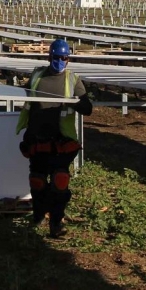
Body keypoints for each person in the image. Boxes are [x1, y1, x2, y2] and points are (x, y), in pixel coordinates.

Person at [16, 39, 93, 238]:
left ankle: (56, 223)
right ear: (49, 56)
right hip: (37, 139)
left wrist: (75, 102)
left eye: (63, 58)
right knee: (38, 181)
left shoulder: (73, 80)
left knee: (59, 181)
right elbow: (23, 94)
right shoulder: (37, 75)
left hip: (60, 141)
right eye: (56, 57)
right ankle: (39, 216)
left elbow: (87, 108)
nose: (59, 61)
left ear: (68, 59)